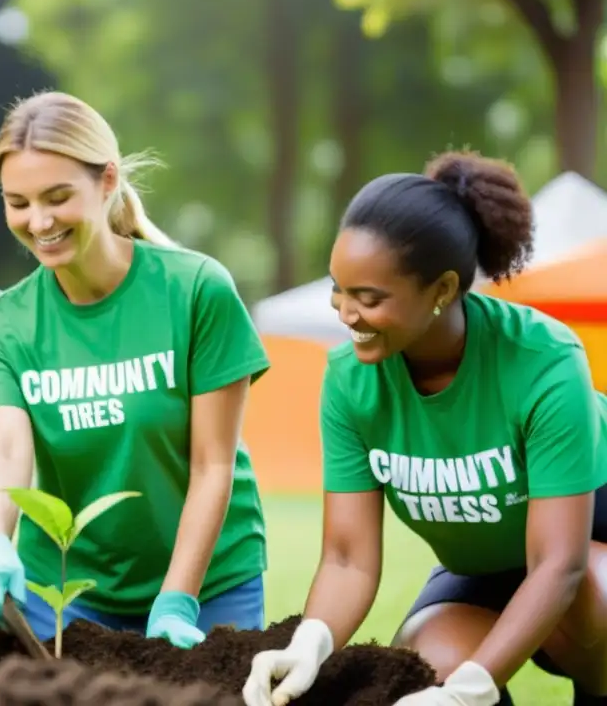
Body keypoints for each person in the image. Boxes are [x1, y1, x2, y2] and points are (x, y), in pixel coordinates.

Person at [242, 150, 607, 706]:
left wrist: (472, 688)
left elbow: (559, 564)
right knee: (418, 668)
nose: (345, 312)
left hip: (582, 552)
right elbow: (347, 558)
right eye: (338, 288)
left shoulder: (544, 362)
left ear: (441, 291)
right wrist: (309, 643)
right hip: (486, 567)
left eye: (370, 298)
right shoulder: (350, 381)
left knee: (597, 606)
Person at [0, 90, 269, 649]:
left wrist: (179, 598)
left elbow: (211, 464)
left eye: (58, 197)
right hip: (66, 593)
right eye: (19, 202)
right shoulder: (2, 326)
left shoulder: (196, 290)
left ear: (106, 182)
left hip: (210, 585)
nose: (40, 221)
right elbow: (4, 449)